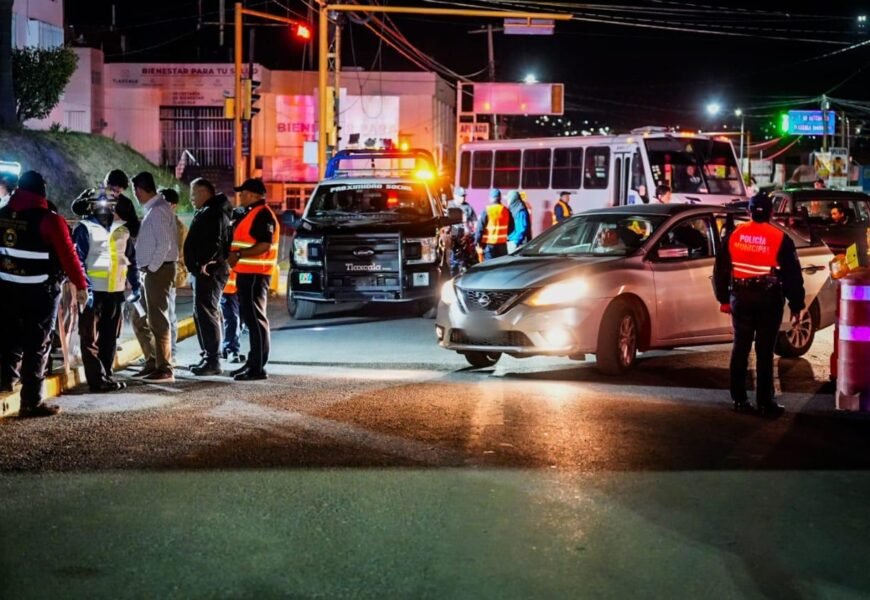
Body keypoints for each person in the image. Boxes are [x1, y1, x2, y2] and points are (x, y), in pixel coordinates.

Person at [0, 171, 89, 416]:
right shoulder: (49, 219)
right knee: (37, 343)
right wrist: (80, 285)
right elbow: (68, 255)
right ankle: (31, 401)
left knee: (9, 338)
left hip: (6, 288)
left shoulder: (3, 214)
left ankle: (5, 382)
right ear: (42, 190)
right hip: (39, 291)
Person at [713, 193, 806, 417]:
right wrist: (797, 304)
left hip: (740, 296)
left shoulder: (734, 235)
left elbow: (720, 271)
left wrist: (724, 299)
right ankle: (765, 403)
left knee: (740, 348)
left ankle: (739, 400)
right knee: (764, 352)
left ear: (749, 212)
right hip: (768, 298)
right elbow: (793, 276)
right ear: (771, 213)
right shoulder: (780, 238)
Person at [72, 188, 140, 392]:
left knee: (110, 337)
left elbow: (131, 260)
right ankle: (97, 380)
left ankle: (106, 375)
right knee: (89, 339)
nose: (105, 207)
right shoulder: (83, 228)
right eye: (100, 203)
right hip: (93, 293)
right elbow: (78, 260)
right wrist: (85, 288)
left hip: (116, 292)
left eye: (109, 203)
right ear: (91, 205)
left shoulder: (122, 229)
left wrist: (136, 285)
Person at [227, 178, 279, 381]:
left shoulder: (263, 214)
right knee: (252, 320)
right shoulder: (251, 213)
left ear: (254, 195)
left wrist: (239, 254)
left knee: (255, 321)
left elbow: (264, 245)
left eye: (244, 192)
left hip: (255, 275)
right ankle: (253, 362)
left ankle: (257, 367)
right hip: (247, 274)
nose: (240, 196)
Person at [131, 172, 178, 382]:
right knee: (139, 318)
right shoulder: (156, 209)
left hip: (157, 270)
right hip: (150, 270)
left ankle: (164, 367)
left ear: (139, 190)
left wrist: (152, 268)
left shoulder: (158, 211)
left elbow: (164, 243)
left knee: (157, 318)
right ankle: (152, 360)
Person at [184, 178, 232, 376]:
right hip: (205, 270)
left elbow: (215, 240)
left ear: (204, 193)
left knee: (207, 312)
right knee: (201, 313)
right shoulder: (210, 210)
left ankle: (213, 360)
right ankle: (208, 356)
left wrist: (204, 262)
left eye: (194, 194)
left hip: (210, 271)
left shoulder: (214, 212)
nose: (192, 199)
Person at [161, 188, 188, 364]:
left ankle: (171, 354)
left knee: (168, 315)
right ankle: (160, 352)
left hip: (170, 274)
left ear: (173, 206)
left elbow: (176, 254)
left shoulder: (177, 227)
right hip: (159, 273)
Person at [72, 170, 141, 238]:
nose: (114, 194)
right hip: (87, 236)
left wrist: (118, 221)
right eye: (111, 189)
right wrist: (92, 203)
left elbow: (135, 231)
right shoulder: (93, 193)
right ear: (106, 183)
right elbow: (75, 208)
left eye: (118, 192)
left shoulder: (126, 204)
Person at [474, 188, 514, 260]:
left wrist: (477, 241)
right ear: (500, 198)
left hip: (489, 245)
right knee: (501, 267)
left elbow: (480, 228)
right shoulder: (506, 210)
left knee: (490, 267)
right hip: (502, 246)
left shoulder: (487, 210)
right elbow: (512, 228)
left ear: (490, 198)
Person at [447, 186, 477, 275]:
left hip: (465, 236)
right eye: (461, 196)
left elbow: (474, 220)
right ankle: (452, 274)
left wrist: (472, 232)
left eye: (464, 196)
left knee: (465, 259)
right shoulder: (449, 205)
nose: (463, 198)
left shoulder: (467, 207)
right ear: (454, 196)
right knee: (453, 259)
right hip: (452, 235)